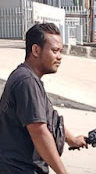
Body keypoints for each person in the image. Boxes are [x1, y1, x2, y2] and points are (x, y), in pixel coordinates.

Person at [0, 23, 87, 174]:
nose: (59, 57)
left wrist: (72, 140)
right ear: (35, 50)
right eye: (54, 51)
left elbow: (47, 116)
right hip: (20, 169)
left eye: (60, 51)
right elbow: (39, 132)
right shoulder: (26, 82)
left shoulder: (30, 79)